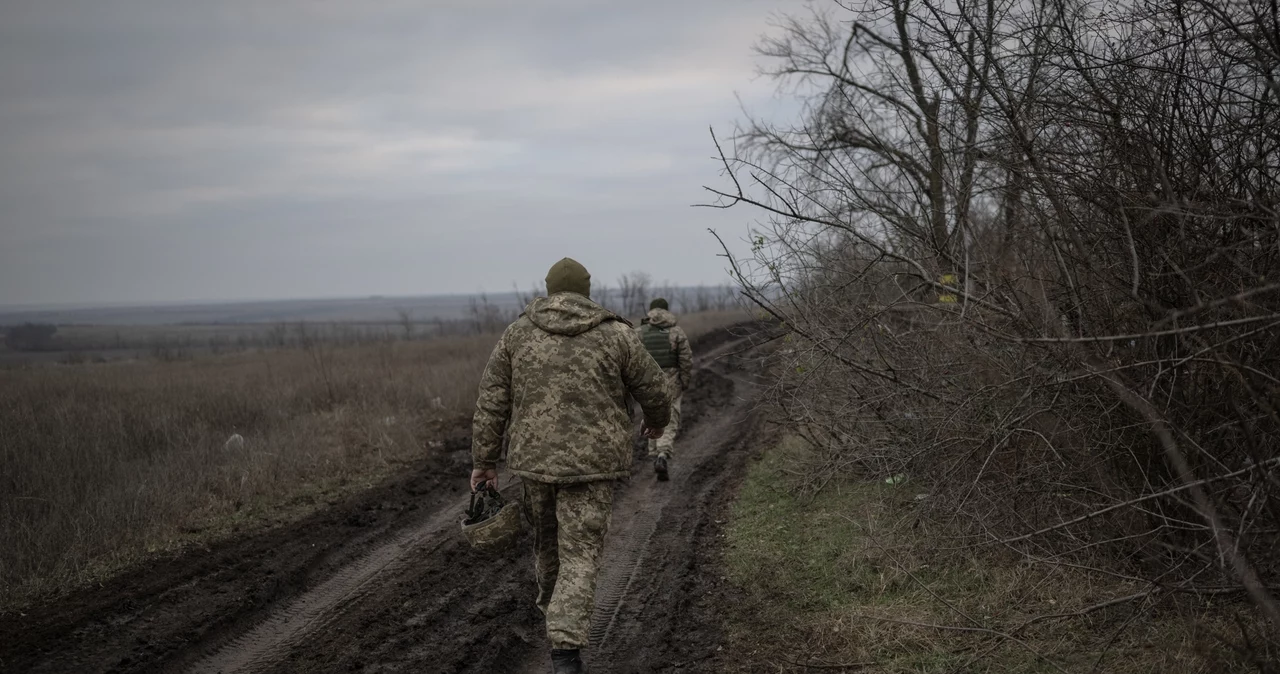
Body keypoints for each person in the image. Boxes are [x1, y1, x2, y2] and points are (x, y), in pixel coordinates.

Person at [471, 258, 672, 674]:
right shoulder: (617, 334)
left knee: (548, 550)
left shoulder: (517, 333)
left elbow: (492, 401)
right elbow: (654, 388)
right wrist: (656, 423)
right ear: (586, 290)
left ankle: (556, 621)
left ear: (548, 290)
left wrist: (484, 461)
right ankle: (566, 650)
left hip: (534, 466)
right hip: (592, 467)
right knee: (580, 554)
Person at [635, 298, 693, 481]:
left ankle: (654, 454)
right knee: (670, 420)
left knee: (651, 417)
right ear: (667, 311)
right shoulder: (676, 332)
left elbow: (632, 361)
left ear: (650, 312)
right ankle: (662, 454)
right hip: (672, 383)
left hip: (648, 384)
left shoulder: (640, 333)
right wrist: (685, 381)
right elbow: (686, 360)